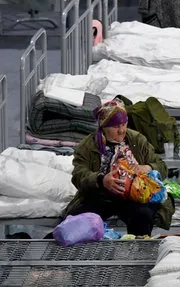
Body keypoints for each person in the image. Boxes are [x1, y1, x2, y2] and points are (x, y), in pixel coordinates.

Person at [63, 98, 174, 236]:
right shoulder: (89, 146)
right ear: (104, 127)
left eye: (124, 124)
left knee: (143, 215)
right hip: (100, 195)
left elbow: (162, 167)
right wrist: (101, 180)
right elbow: (78, 175)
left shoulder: (137, 140)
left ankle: (137, 250)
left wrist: (148, 167)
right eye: (116, 127)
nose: (122, 130)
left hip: (133, 196)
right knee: (80, 220)